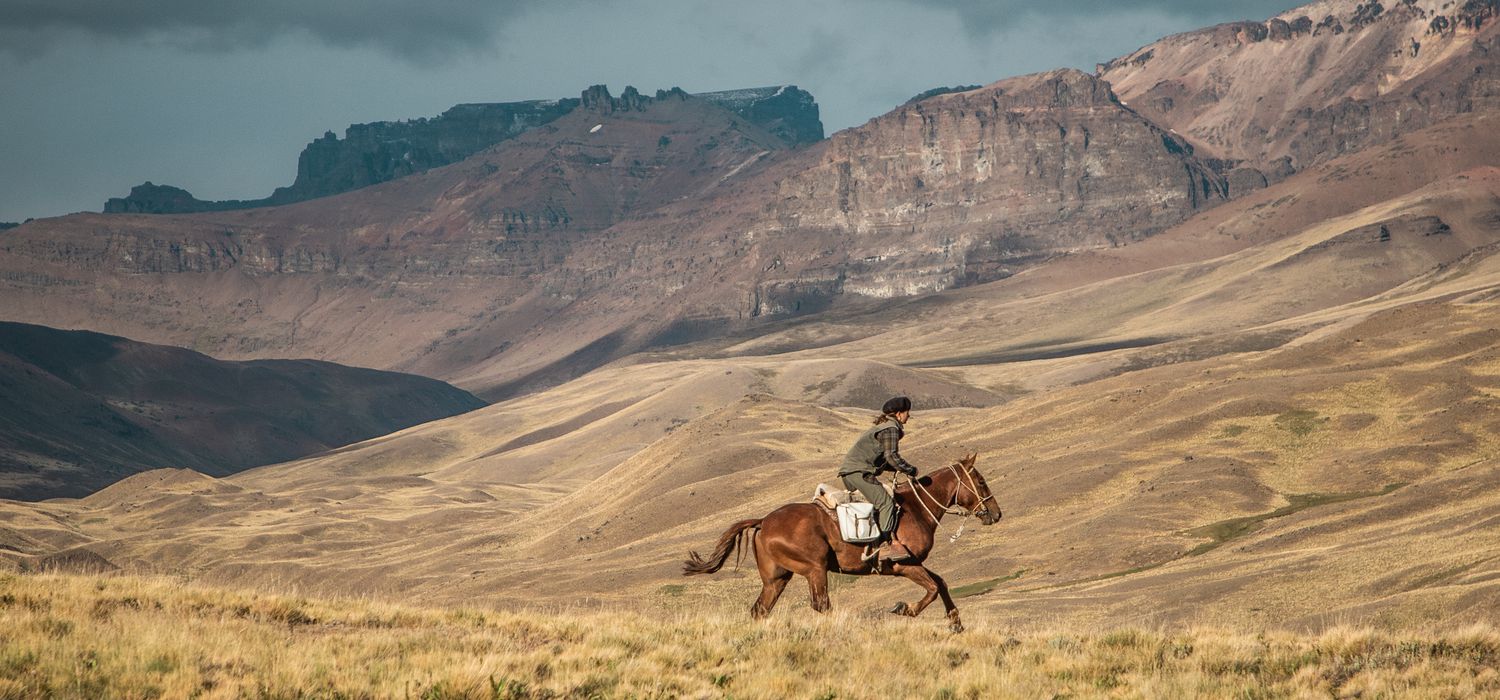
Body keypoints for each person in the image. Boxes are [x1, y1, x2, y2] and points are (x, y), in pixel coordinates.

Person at [837, 396, 919, 563]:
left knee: (873, 506)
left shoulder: (884, 427)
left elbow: (885, 460)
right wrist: (910, 470)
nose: (909, 416)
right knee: (886, 503)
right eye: (907, 413)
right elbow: (892, 456)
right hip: (859, 472)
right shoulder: (891, 429)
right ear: (898, 414)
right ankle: (882, 546)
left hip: (851, 472)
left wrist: (896, 468)